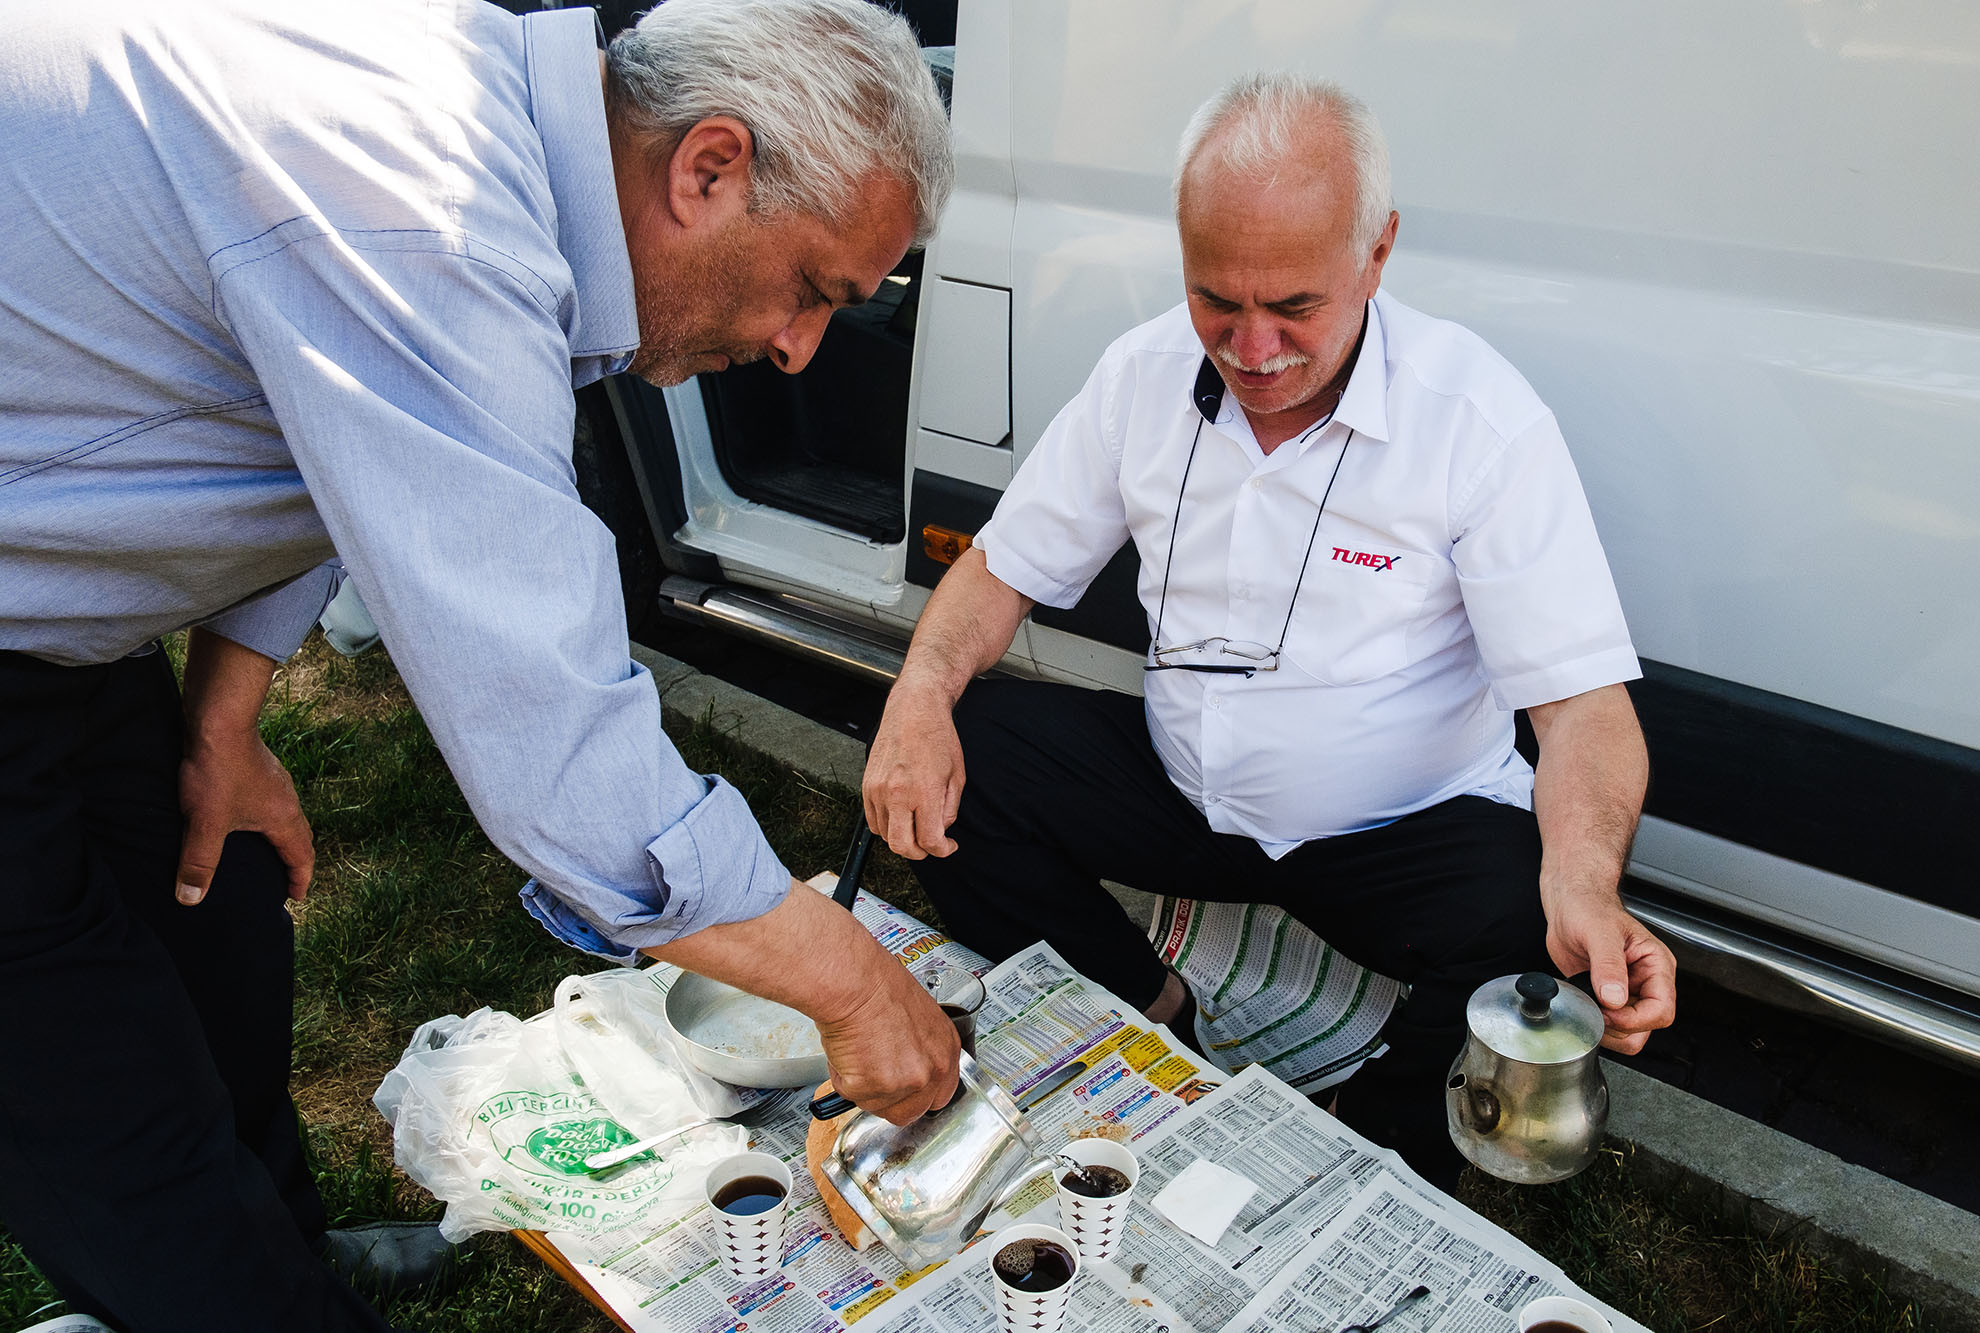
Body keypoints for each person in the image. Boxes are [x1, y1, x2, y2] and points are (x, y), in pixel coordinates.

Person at [0, 0, 962, 1328]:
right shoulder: (434, 201)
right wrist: (859, 988)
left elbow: (301, 420)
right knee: (105, 1104)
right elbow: (555, 753)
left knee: (216, 941)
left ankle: (287, 1243)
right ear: (709, 168)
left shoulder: (471, 130)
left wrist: (225, 711)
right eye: (814, 289)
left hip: (60, 622)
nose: (799, 348)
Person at [862, 72, 1678, 1189]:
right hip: (1185, 789)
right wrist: (916, 699)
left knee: (1538, 926)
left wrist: (1585, 877)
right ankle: (1150, 1014)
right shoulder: (1140, 374)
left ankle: (1362, 1132)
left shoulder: (1475, 420)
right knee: (971, 745)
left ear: (1375, 254)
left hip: (1398, 826)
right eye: (1215, 301)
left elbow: (1582, 706)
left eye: (1292, 308)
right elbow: (999, 571)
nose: (1249, 349)